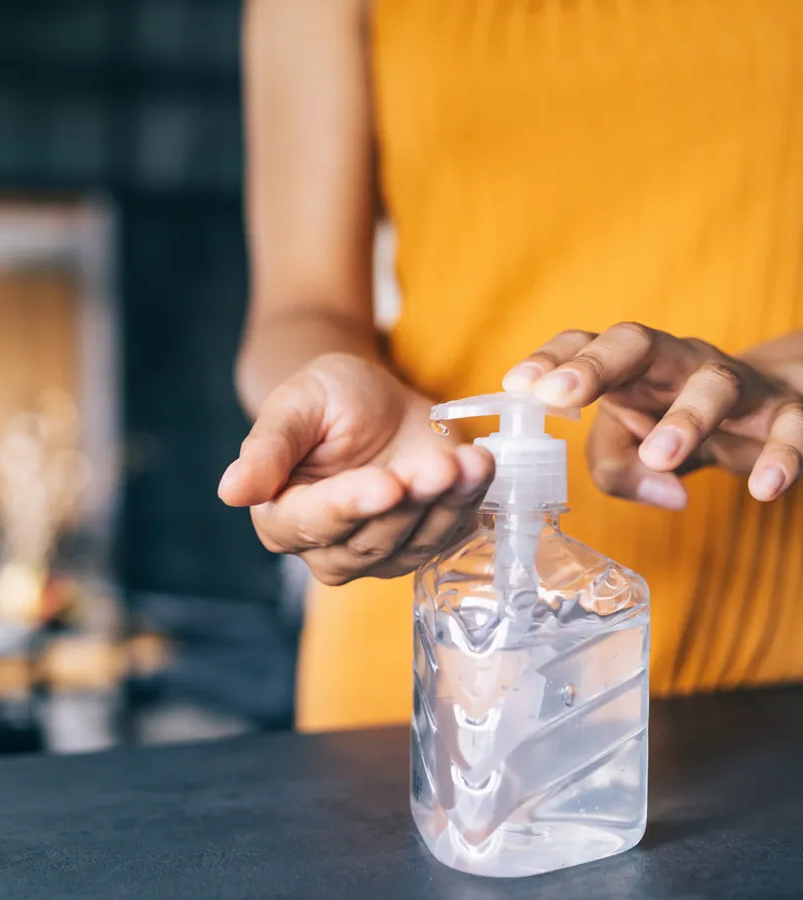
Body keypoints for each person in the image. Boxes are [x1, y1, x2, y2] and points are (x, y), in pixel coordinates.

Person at [220, 0, 803, 732]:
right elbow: (300, 304)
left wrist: (786, 371)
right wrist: (321, 397)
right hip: (427, 640)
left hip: (773, 668)